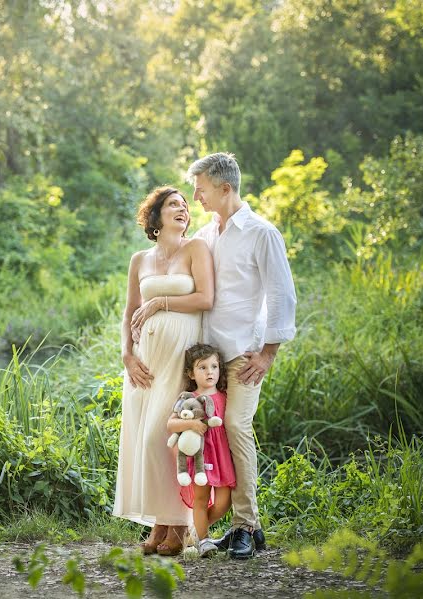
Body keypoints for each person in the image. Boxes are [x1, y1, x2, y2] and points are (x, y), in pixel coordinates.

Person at [188, 152, 297, 559]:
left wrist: (268, 353)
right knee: (211, 433)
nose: (196, 195)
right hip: (208, 358)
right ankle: (228, 526)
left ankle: (245, 526)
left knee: (235, 425)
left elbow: (281, 294)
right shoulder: (204, 235)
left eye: (200, 187)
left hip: (244, 355)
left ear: (224, 188)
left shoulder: (261, 233)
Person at [113, 186, 214, 557]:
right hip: (144, 363)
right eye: (173, 204)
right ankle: (161, 524)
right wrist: (127, 355)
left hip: (177, 358)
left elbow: (205, 298)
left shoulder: (196, 249)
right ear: (154, 217)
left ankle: (181, 526)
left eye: (185, 205)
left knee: (164, 439)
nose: (183, 209)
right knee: (143, 441)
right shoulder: (139, 259)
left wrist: (160, 302)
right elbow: (128, 313)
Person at [167, 343, 236, 557]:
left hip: (222, 455)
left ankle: (194, 531)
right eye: (203, 367)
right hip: (200, 456)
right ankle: (204, 541)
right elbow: (171, 424)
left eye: (214, 367)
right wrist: (191, 425)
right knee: (201, 498)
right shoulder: (189, 398)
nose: (210, 372)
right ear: (191, 373)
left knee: (224, 503)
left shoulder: (226, 396)